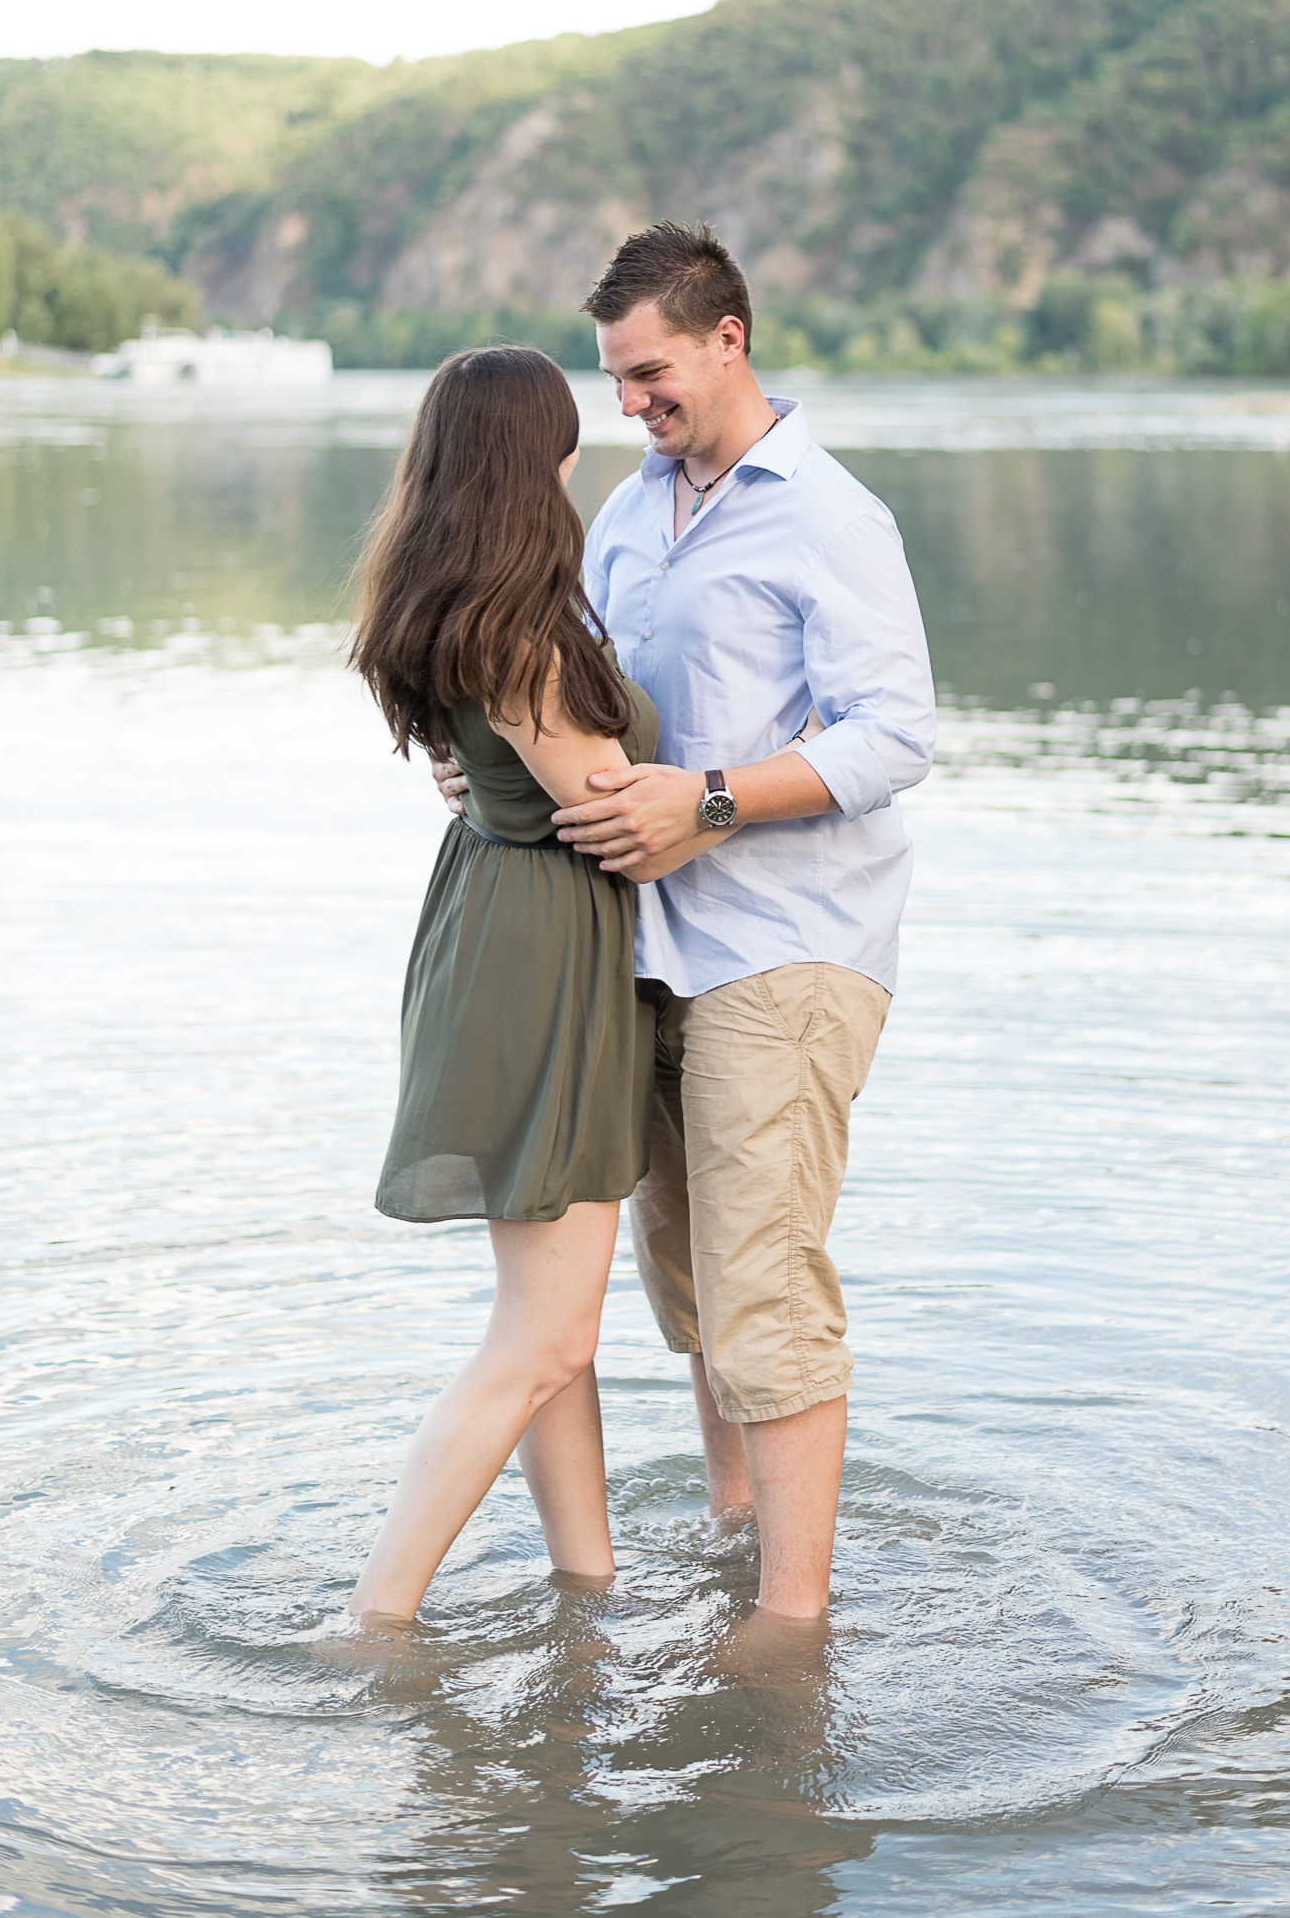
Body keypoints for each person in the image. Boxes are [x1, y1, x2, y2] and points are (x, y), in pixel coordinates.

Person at [433, 225, 936, 1621]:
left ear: (729, 338)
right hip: (641, 954)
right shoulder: (623, 519)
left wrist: (709, 800)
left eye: (650, 372)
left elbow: (898, 733)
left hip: (788, 942)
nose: (632, 403)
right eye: (613, 380)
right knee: (695, 1296)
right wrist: (481, 752)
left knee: (764, 1284)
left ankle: (790, 1630)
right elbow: (573, 712)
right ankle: (733, 1548)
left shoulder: (828, 514)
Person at [346, 346, 735, 1624]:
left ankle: (590, 1587)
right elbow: (614, 811)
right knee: (547, 1339)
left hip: (494, 936)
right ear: (537, 461)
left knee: (545, 1328)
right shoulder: (521, 627)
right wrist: (798, 784)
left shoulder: (456, 602)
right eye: (570, 438)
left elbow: (515, 775)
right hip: (539, 962)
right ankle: (376, 1615)